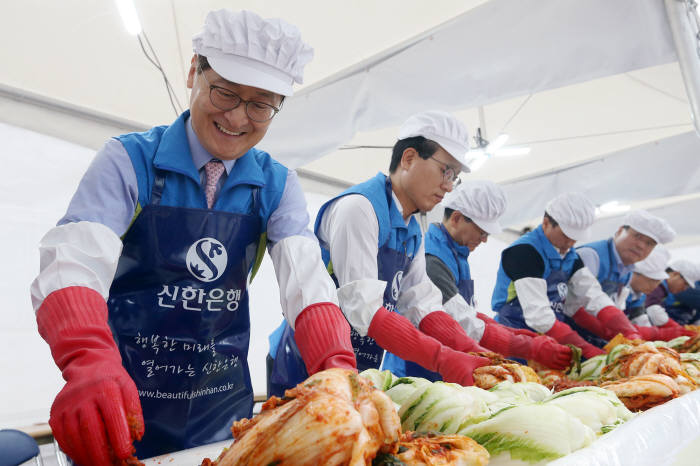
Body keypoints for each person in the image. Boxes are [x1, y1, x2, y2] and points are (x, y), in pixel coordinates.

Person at [29, 10, 356, 463]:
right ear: (193, 71)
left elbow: (307, 284)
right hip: (123, 400)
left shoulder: (278, 185)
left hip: (220, 412)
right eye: (225, 92)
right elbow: (73, 263)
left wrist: (338, 369)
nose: (238, 118)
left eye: (260, 104)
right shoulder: (129, 161)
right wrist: (87, 358)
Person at [268, 111, 492, 394]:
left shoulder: (412, 232)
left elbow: (421, 303)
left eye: (455, 177)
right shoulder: (360, 208)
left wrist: (468, 348)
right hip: (308, 362)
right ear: (409, 158)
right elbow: (364, 308)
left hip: (359, 364)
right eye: (445, 171)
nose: (448, 185)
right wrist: (441, 358)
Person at [423, 180, 572, 371]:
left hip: (448, 363)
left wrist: (517, 334)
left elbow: (466, 311)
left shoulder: (457, 252)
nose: (484, 240)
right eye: (482, 232)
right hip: (424, 369)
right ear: (457, 218)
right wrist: (528, 347)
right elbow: (463, 323)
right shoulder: (433, 258)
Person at [491, 192, 641, 359]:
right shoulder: (524, 252)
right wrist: (584, 348)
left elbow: (593, 295)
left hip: (549, 340)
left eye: (575, 238)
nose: (570, 243)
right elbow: (538, 315)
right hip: (514, 338)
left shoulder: (570, 255)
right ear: (546, 223)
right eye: (566, 235)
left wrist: (627, 330)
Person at [571, 210, 676, 344]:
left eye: (649, 243)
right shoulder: (592, 255)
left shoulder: (627, 271)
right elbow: (574, 306)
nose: (641, 245)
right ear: (620, 231)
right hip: (570, 340)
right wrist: (615, 332)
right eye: (637, 236)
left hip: (593, 339)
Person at [624, 246, 695, 340]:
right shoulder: (623, 290)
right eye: (652, 280)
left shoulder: (639, 294)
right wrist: (659, 333)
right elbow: (653, 311)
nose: (654, 286)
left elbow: (640, 317)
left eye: (657, 281)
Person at [645, 259, 700, 325]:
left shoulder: (664, 291)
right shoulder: (658, 287)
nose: (684, 289)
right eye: (685, 283)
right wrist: (670, 325)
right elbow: (651, 308)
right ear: (675, 274)